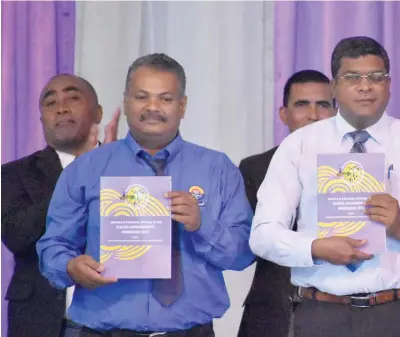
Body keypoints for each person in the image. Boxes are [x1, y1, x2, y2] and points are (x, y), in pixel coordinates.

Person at [249, 36, 400, 337]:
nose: (365, 86)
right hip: (320, 313)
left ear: (389, 84)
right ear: (335, 86)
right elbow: (262, 235)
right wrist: (315, 248)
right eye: (352, 77)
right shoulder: (299, 146)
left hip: (398, 314)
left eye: (376, 77)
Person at [36, 53, 255, 336]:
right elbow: (53, 246)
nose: (153, 107)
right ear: (126, 102)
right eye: (142, 97)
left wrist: (202, 226)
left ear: (182, 105)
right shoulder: (87, 168)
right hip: (103, 331)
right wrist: (70, 266)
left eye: (165, 98)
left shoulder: (217, 168)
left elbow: (243, 254)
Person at [2, 74, 119, 337]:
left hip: (117, 321)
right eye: (50, 102)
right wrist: (81, 174)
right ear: (42, 119)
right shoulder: (14, 174)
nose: (61, 107)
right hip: (44, 322)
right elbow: (16, 236)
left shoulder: (129, 167)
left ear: (98, 112)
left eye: (73, 97)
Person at [237, 69, 335, 337]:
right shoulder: (254, 168)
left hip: (338, 308)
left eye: (323, 105)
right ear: (284, 114)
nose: (313, 114)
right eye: (302, 104)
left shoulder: (354, 168)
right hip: (271, 313)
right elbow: (242, 245)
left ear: (336, 112)